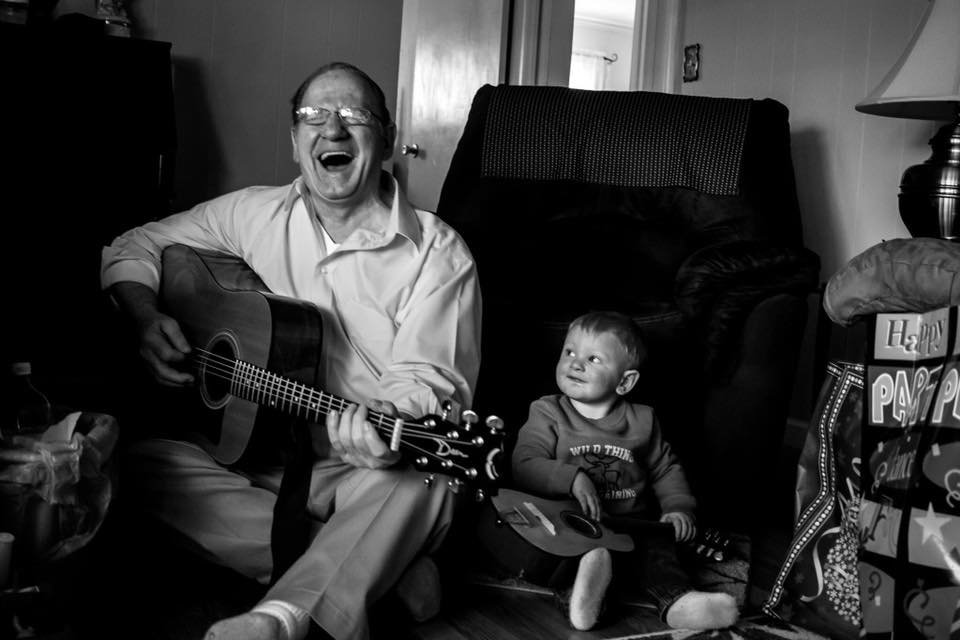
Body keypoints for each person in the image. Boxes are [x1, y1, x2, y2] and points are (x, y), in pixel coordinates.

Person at [100, 62, 481, 640]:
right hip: (268, 460)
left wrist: (389, 433)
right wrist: (145, 315)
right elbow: (136, 243)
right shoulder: (254, 213)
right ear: (294, 141)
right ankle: (376, 568)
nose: (333, 130)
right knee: (136, 464)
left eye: (354, 116)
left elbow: (428, 380)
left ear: (384, 138)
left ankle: (284, 618)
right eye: (313, 116)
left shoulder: (437, 250)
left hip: (370, 467)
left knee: (424, 477)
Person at [511, 311, 738, 632]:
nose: (575, 364)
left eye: (593, 359)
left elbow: (665, 469)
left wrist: (677, 508)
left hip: (633, 522)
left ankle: (679, 603)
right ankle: (583, 600)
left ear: (625, 381)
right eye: (569, 352)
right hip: (573, 524)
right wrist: (572, 478)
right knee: (570, 560)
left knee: (658, 556)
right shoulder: (547, 412)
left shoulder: (642, 421)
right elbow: (524, 463)